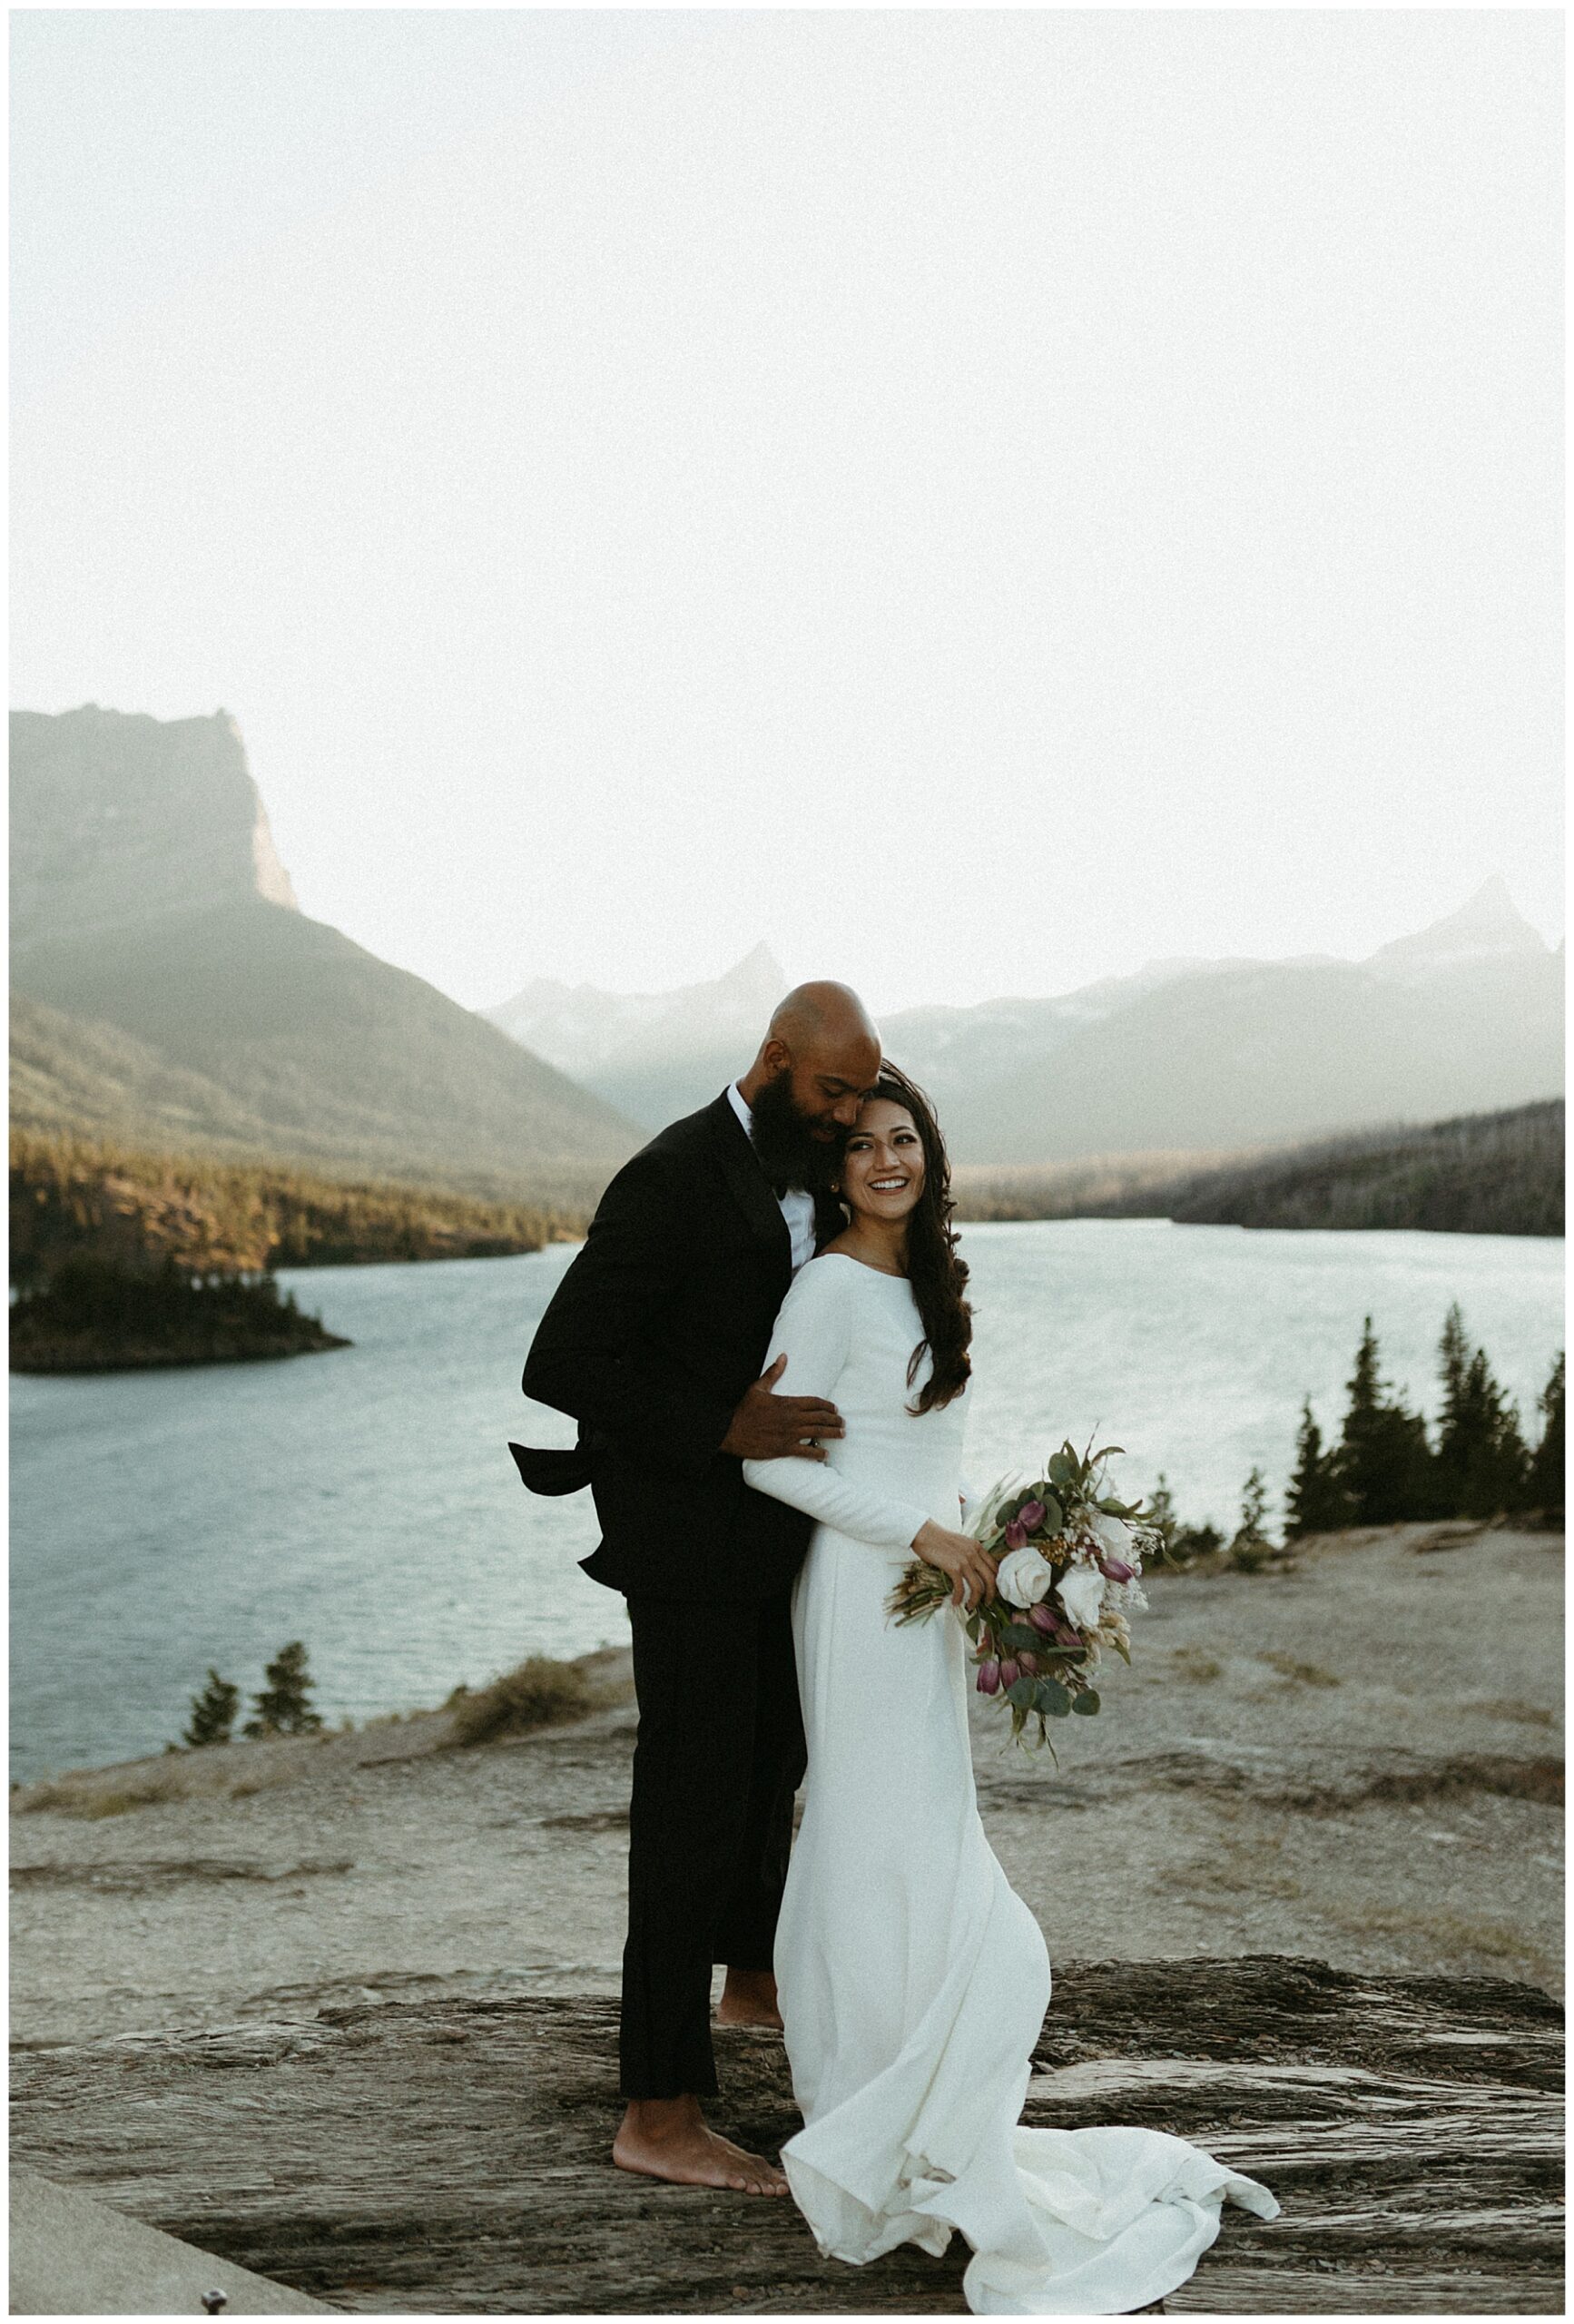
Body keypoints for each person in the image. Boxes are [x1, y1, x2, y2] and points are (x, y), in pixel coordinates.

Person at [741, 1065, 1279, 2311]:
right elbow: (772, 1468)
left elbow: (922, 1450)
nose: (888, 1160)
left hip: (926, 1596)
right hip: (856, 1593)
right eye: (864, 1144)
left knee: (914, 1827)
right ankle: (872, 2103)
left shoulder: (922, 1283)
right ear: (831, 1172)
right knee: (880, 1833)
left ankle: (914, 2100)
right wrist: (925, 1541)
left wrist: (1001, 1552)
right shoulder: (822, 1287)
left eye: (906, 1139)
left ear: (930, 1158)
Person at [514, 980, 883, 2197]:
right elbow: (562, 1361)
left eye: (859, 1096)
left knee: (773, 1755)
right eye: (830, 1092)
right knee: (685, 1810)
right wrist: (723, 1423)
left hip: (775, 1535)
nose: (846, 1116)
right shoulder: (674, 1174)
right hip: (683, 1544)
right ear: (773, 1059)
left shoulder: (804, 1164)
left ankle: (751, 1980)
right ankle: (656, 2111)